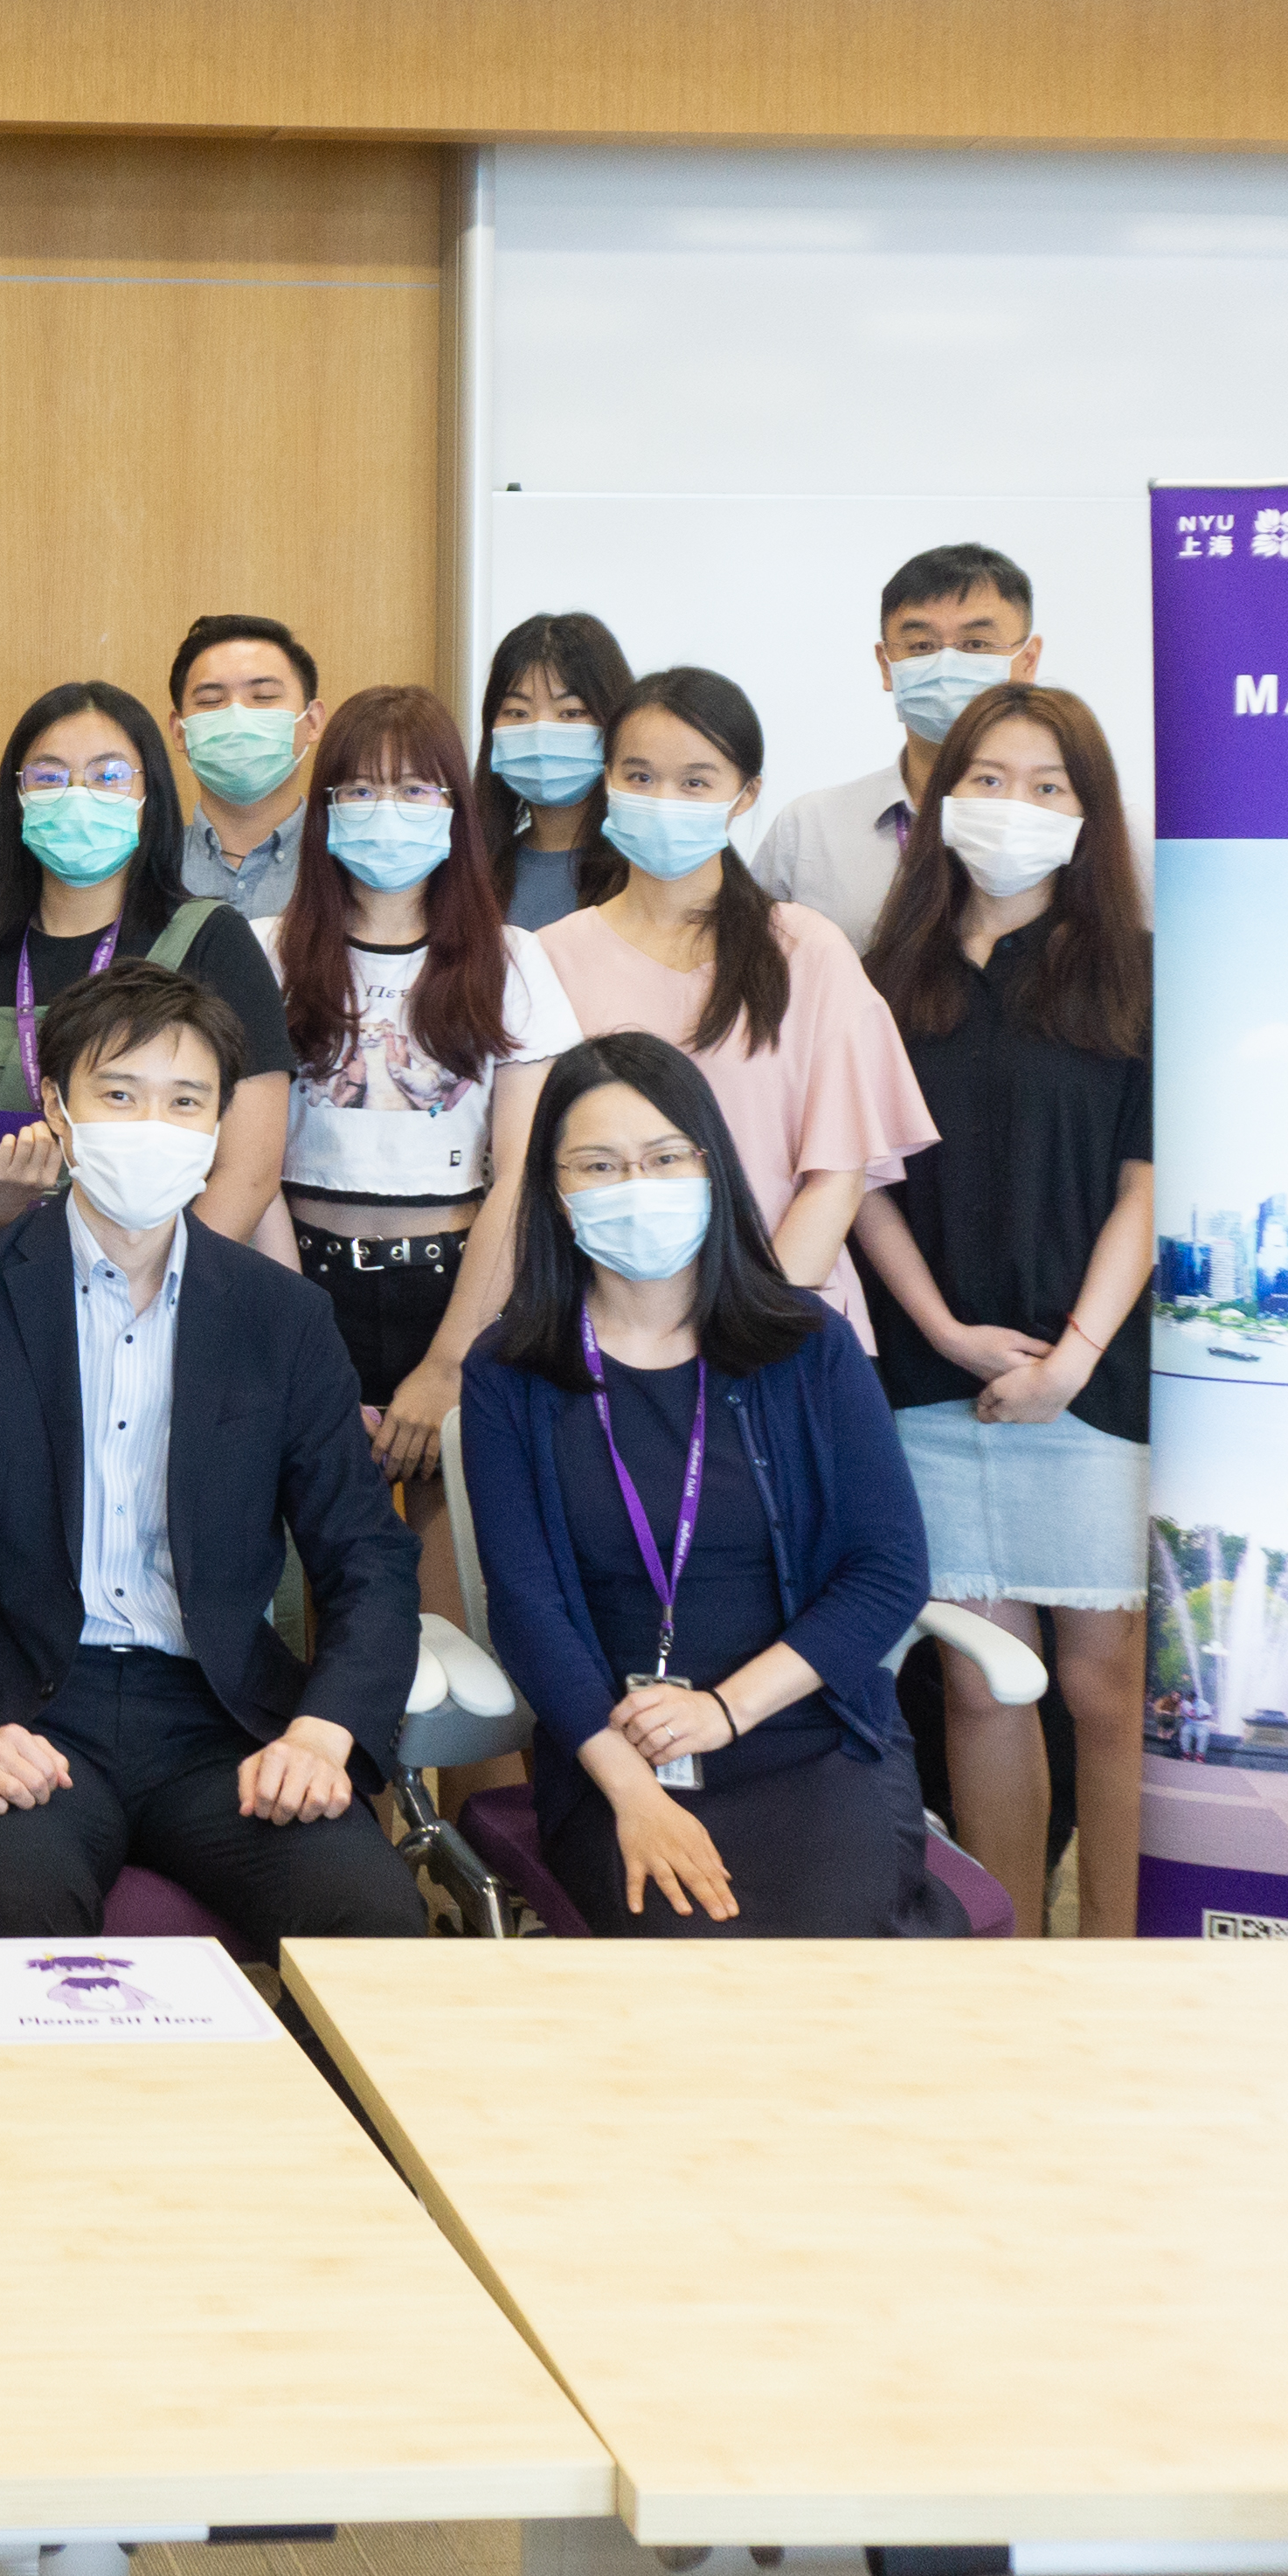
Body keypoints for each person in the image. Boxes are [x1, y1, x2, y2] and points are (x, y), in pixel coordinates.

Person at [0, 959, 437, 1949]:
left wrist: (325, 1734)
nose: (152, 1125)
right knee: (26, 1924)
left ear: (218, 1123)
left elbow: (367, 1559)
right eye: (120, 1094)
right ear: (58, 1108)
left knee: (372, 1918)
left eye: (185, 1100)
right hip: (22, 1714)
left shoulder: (282, 1316)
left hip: (221, 1721)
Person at [454, 1030, 961, 1937]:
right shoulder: (509, 1373)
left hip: (806, 1734)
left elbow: (888, 1571)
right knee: (688, 1947)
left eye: (662, 1158)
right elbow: (527, 1611)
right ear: (556, 1193)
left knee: (831, 1958)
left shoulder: (808, 1345)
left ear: (710, 1167)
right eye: (598, 1164)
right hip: (620, 1750)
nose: (634, 1186)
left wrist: (726, 1711)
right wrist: (631, 1792)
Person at [848, 681, 1153, 1942]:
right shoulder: (878, 981)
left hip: (1090, 1379)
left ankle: (1125, 1958)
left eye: (1049, 788)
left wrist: (1072, 1356)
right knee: (981, 1684)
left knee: (1102, 1682)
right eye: (988, 780)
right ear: (938, 795)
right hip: (931, 1376)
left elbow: (1150, 1181)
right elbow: (855, 1179)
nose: (1014, 809)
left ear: (1089, 816)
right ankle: (1008, 1958)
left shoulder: (1132, 974)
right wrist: (948, 1332)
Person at [272, 685, 578, 1614]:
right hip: (297, 1284)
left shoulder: (514, 960)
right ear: (323, 813)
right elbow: (243, 1173)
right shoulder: (262, 952)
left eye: (415, 791)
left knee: (461, 1623)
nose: (386, 816)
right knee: (310, 1610)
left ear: (455, 809)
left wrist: (446, 1363)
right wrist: (308, 1351)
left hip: (461, 1291)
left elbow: (525, 1176)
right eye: (359, 792)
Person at [530, 668, 933, 1344]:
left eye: (695, 781)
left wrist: (748, 1324)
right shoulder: (546, 960)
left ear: (745, 794)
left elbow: (836, 1175)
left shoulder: (806, 950)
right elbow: (540, 1177)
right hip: (612, 1339)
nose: (664, 799)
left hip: (786, 1326)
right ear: (605, 781)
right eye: (639, 776)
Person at [0, 684, 294, 1245]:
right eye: (50, 777)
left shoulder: (213, 939)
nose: (78, 795)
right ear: (18, 796)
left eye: (108, 776)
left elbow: (248, 1176)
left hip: (167, 1291)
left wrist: (149, 1292)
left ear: (150, 793)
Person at [751, 544, 1049, 951]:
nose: (946, 665)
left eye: (976, 644)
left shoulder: (1099, 829)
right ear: (886, 663)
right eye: (921, 647)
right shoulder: (809, 830)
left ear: (1028, 661)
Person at [475, 611, 634, 930]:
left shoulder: (645, 870)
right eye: (517, 712)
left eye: (571, 712)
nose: (540, 731)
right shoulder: (474, 869)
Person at [167, 613, 326, 926]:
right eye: (211, 701)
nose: (237, 716)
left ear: (312, 721)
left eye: (263, 697)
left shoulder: (350, 864)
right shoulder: (146, 866)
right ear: (179, 731)